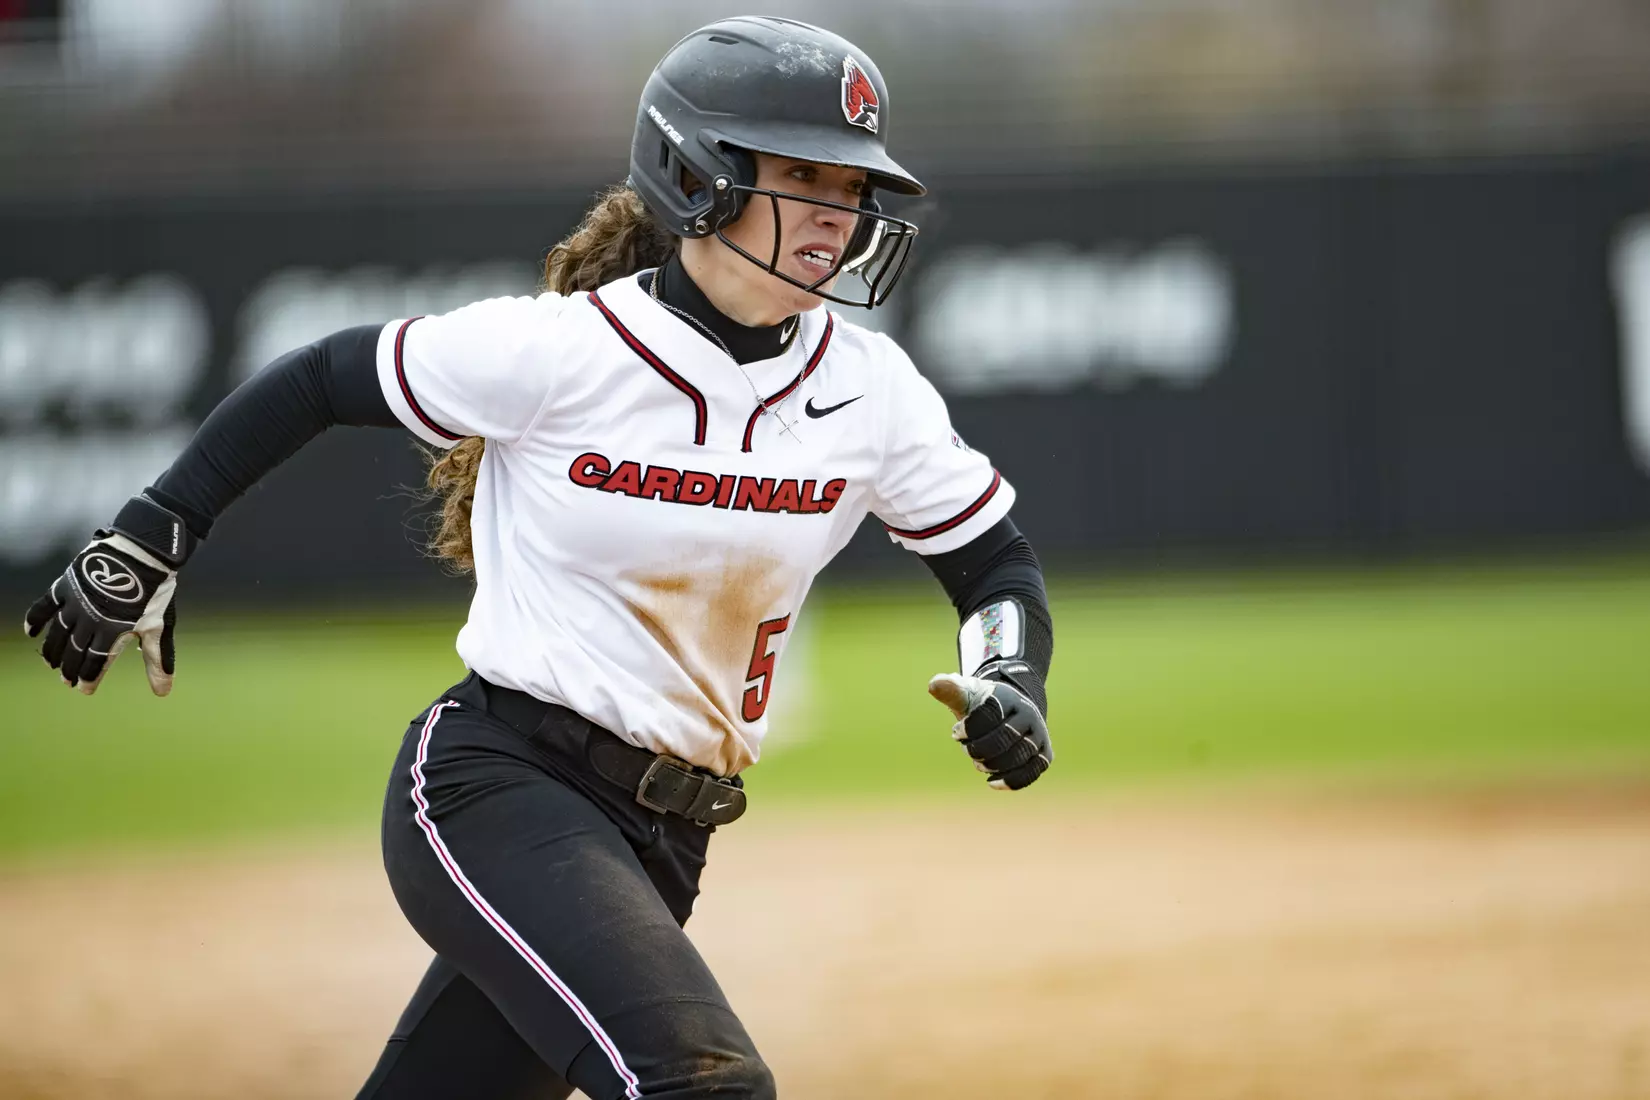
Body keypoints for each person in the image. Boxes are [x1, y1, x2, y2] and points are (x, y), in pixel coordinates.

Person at [23, 16, 1054, 1100]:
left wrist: (1010, 676)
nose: (836, 215)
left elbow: (997, 566)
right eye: (802, 175)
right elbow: (323, 376)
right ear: (698, 172)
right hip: (495, 787)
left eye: (851, 188)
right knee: (703, 1083)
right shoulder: (565, 349)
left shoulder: (872, 390)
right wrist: (152, 527)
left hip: (664, 839)